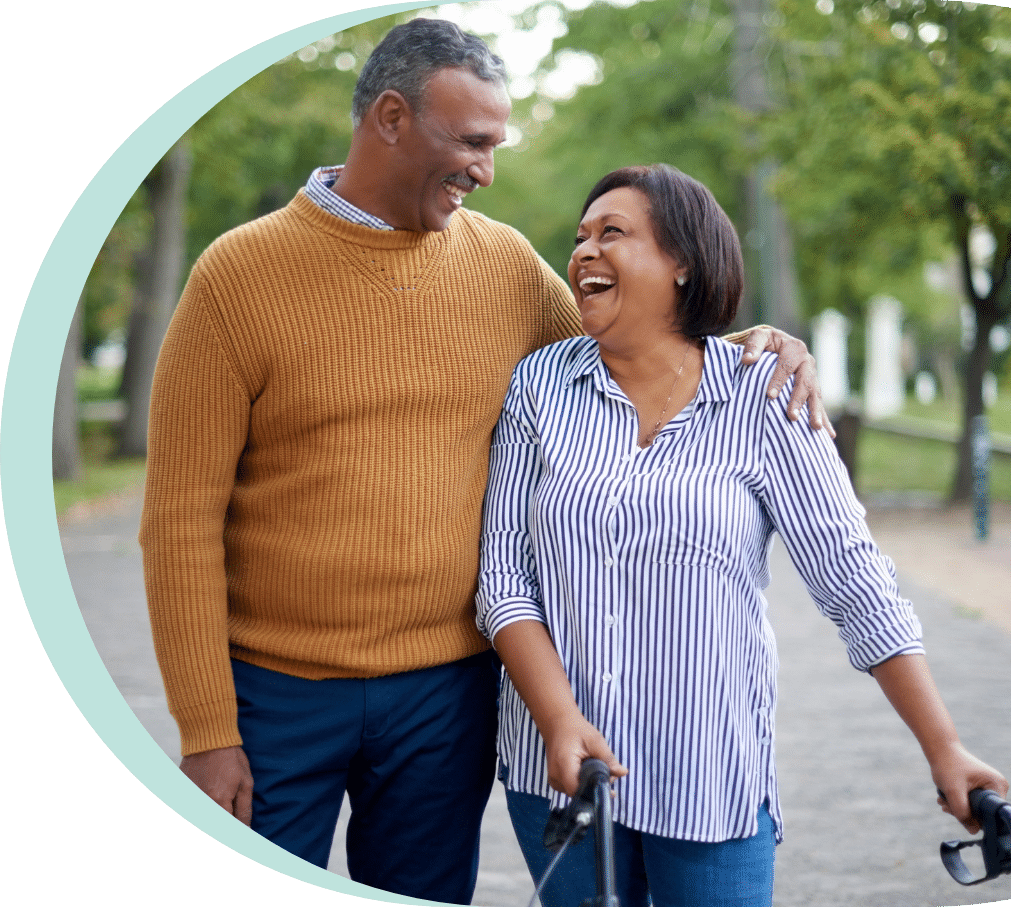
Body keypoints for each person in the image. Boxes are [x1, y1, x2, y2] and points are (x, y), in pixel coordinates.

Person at [139, 20, 830, 905]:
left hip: (446, 694)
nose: (485, 168)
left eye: (495, 145)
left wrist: (748, 346)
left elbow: (626, 344)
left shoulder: (503, 266)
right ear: (390, 118)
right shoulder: (236, 277)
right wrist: (207, 729)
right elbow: (178, 520)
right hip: (273, 694)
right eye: (470, 142)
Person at [475, 163, 1008, 908]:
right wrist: (560, 719)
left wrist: (942, 746)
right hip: (556, 771)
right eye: (580, 237)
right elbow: (502, 578)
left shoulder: (763, 394)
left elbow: (853, 582)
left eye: (613, 233)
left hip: (708, 779)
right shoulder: (539, 387)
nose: (584, 252)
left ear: (682, 263)